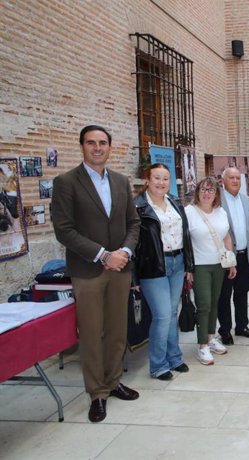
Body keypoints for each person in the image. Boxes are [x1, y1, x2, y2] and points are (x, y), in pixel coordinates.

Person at [51, 125, 140, 423]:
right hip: (88, 270)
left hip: (120, 269)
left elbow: (134, 223)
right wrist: (103, 255)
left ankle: (114, 381)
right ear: (82, 146)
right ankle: (97, 393)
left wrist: (124, 253)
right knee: (90, 334)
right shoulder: (66, 183)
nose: (97, 147)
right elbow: (64, 230)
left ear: (110, 147)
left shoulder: (120, 181)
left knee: (117, 330)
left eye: (103, 143)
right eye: (91, 143)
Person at [134, 163, 194, 380]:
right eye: (157, 178)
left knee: (171, 313)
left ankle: (175, 358)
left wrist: (189, 266)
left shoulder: (175, 203)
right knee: (161, 315)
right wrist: (133, 277)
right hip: (153, 267)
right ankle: (158, 365)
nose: (161, 183)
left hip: (177, 263)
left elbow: (185, 235)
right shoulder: (138, 207)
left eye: (165, 178)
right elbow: (132, 244)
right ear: (147, 181)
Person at [185, 177, 237, 365]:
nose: (207, 193)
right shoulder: (189, 212)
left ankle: (210, 337)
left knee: (215, 301)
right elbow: (184, 242)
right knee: (204, 303)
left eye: (211, 190)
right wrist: (188, 268)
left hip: (219, 265)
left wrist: (231, 262)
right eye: (203, 190)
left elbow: (227, 237)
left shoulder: (220, 212)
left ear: (216, 194)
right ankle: (202, 346)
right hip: (200, 266)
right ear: (197, 192)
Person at [217, 166, 249, 345]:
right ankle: (225, 330)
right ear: (223, 181)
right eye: (231, 178)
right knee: (224, 295)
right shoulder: (217, 201)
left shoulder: (247, 200)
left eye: (237, 178)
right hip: (227, 257)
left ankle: (242, 326)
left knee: (242, 293)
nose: (235, 181)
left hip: (245, 255)